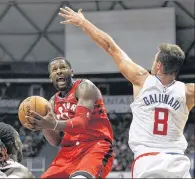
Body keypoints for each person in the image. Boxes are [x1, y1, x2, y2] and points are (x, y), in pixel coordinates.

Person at [58, 7, 195, 178]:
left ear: (158, 65)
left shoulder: (141, 79)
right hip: (177, 164)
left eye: (154, 58)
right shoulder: (188, 91)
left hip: (147, 162)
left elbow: (110, 46)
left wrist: (83, 23)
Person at [25, 57, 114, 179]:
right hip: (68, 152)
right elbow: (55, 141)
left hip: (95, 146)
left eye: (62, 67)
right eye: (54, 70)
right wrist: (44, 125)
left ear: (71, 72)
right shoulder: (51, 102)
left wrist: (54, 124)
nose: (59, 71)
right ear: (51, 77)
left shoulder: (84, 87)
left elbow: (81, 123)